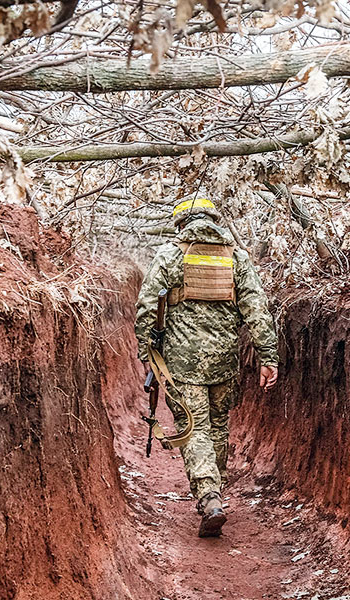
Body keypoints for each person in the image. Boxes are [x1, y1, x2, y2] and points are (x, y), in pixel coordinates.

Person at [135, 197, 279, 538]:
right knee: (217, 426)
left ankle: (209, 495)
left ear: (181, 224)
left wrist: (146, 351)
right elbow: (258, 311)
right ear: (214, 221)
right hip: (225, 363)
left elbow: (145, 307)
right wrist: (268, 357)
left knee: (194, 427)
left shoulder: (170, 255)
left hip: (182, 364)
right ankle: (216, 492)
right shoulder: (237, 259)